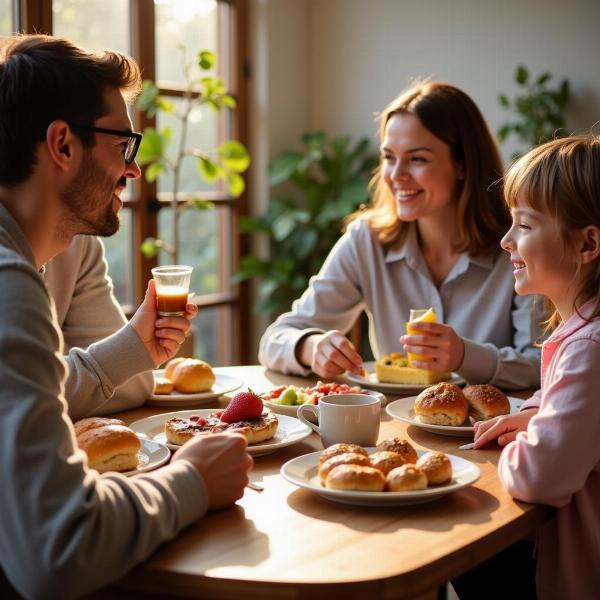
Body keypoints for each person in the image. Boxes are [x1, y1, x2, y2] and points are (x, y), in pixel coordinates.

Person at [0, 34, 251, 599]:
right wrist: (191, 480)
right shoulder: (8, 281)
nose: (134, 170)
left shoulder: (48, 252)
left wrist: (136, 348)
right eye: (125, 145)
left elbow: (57, 387)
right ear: (63, 144)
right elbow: (56, 548)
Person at [259, 81, 541, 389]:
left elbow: (544, 364)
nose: (396, 175)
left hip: (497, 431)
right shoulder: (366, 241)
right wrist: (310, 346)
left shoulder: (518, 244)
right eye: (389, 157)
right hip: (394, 431)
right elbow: (274, 340)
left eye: (417, 159)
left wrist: (463, 356)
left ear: (463, 165)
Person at [463, 136, 600, 599]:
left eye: (523, 225)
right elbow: (562, 404)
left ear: (588, 243)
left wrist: (525, 436)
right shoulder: (582, 333)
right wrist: (536, 416)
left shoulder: (590, 348)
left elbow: (538, 476)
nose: (506, 241)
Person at [43, 235, 154, 420]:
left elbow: (135, 385)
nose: (121, 204)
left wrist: (136, 346)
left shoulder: (79, 240)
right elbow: (20, 401)